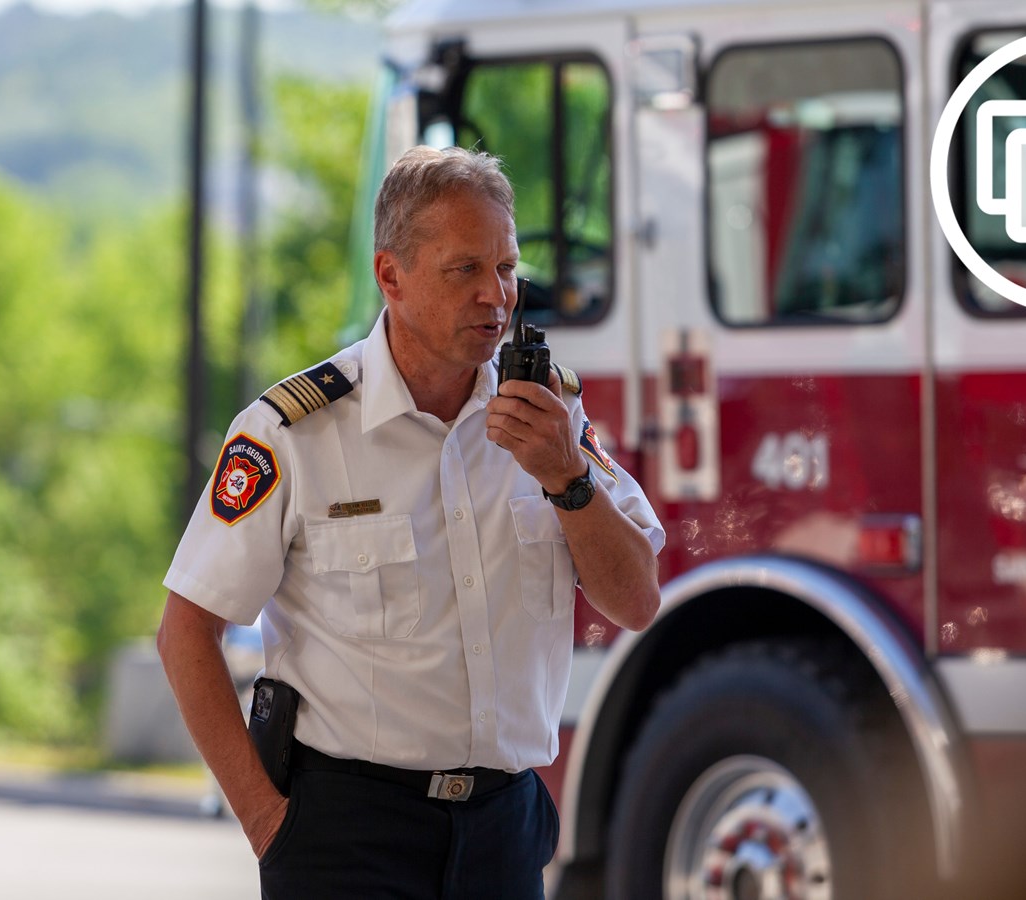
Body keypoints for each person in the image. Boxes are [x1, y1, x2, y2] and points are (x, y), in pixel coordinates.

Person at [156, 145, 665, 899]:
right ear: (390, 275)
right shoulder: (295, 431)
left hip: (503, 832)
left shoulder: (550, 416)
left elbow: (636, 601)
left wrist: (569, 478)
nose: (497, 297)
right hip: (347, 837)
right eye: (465, 270)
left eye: (507, 268)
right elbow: (185, 631)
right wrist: (268, 823)